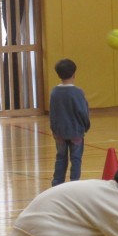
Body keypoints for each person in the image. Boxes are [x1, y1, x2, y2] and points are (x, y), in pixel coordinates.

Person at [49, 58, 90, 186]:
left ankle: (57, 183)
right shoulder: (77, 92)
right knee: (76, 158)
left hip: (59, 132)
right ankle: (74, 183)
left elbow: (52, 113)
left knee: (60, 157)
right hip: (76, 132)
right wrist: (86, 126)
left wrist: (54, 129)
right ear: (74, 74)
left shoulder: (54, 92)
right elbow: (83, 112)